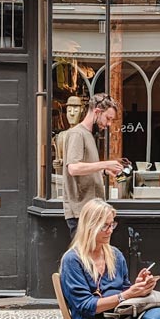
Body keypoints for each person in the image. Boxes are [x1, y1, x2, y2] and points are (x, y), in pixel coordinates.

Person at [63, 93, 124, 235]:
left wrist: (104, 171)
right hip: (82, 213)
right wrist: (104, 164)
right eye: (108, 118)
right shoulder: (77, 134)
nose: (108, 124)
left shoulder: (89, 134)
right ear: (97, 112)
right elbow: (73, 168)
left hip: (92, 211)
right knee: (83, 256)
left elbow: (84, 167)